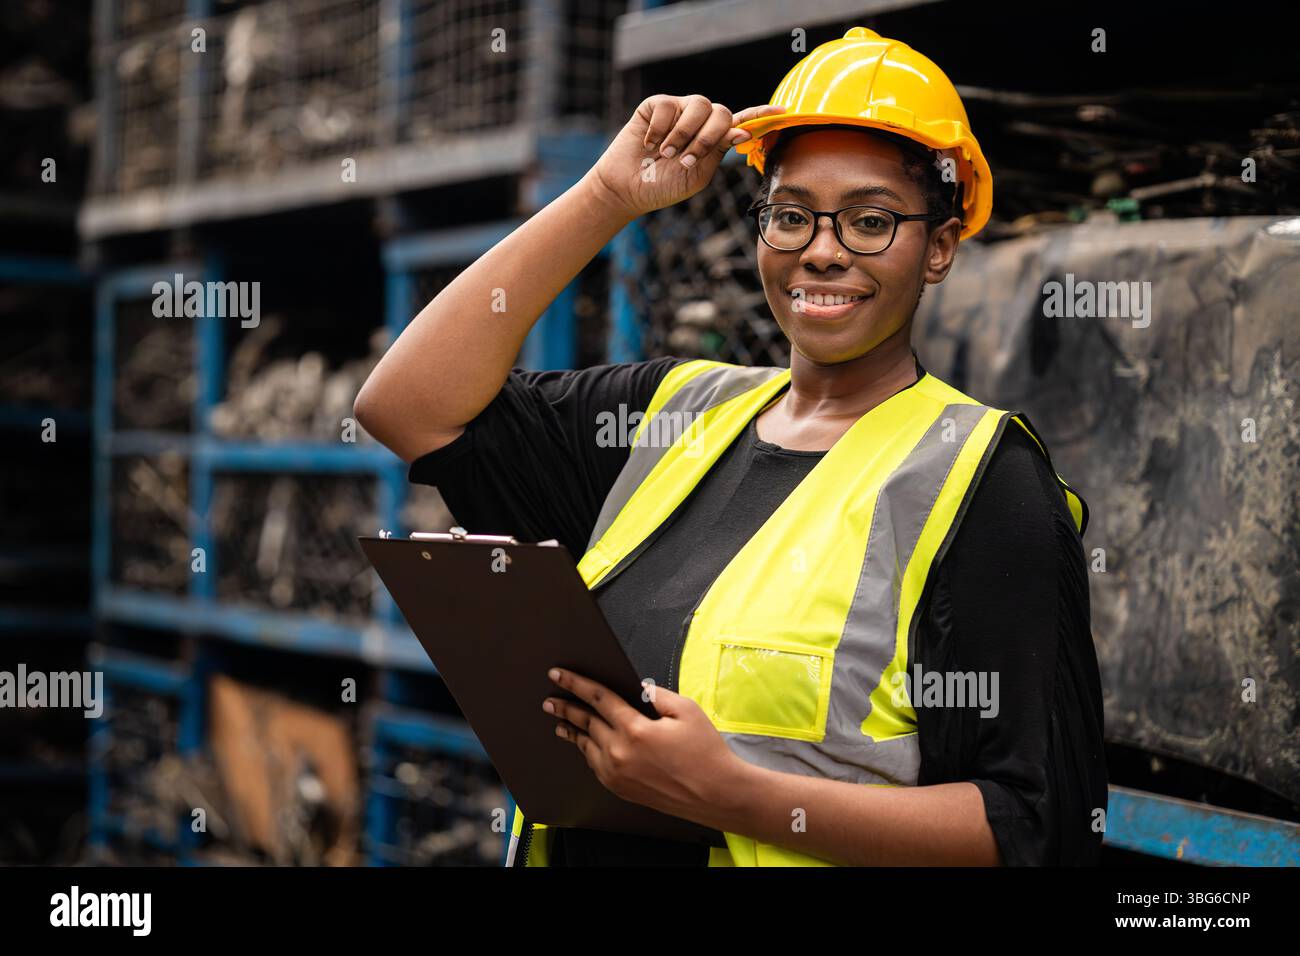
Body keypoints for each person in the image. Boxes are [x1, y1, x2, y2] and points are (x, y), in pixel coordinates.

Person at [355, 27, 1107, 866]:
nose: (822, 251)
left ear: (938, 248)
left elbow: (1041, 826)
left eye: (870, 220)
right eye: (791, 215)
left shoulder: (981, 483)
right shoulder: (673, 415)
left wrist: (734, 795)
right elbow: (408, 406)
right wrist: (607, 194)